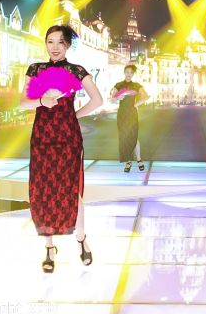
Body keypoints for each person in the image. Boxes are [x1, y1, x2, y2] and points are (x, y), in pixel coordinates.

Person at [21, 25, 103, 273]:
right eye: (50, 42)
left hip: (68, 137)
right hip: (42, 137)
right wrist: (42, 101)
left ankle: (81, 238)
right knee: (43, 189)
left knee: (71, 189)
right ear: (45, 44)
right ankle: (48, 247)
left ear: (67, 45)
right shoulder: (35, 69)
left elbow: (98, 100)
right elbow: (23, 103)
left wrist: (74, 115)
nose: (55, 47)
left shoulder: (76, 71)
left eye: (60, 42)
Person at [110, 64, 149, 173]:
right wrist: (118, 97)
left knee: (134, 137)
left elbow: (146, 96)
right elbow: (112, 99)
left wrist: (136, 104)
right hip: (122, 114)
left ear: (133, 74)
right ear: (124, 72)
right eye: (127, 72)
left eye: (131, 72)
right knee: (124, 138)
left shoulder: (136, 85)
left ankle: (139, 159)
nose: (129, 74)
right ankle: (128, 161)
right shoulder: (118, 85)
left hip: (132, 113)